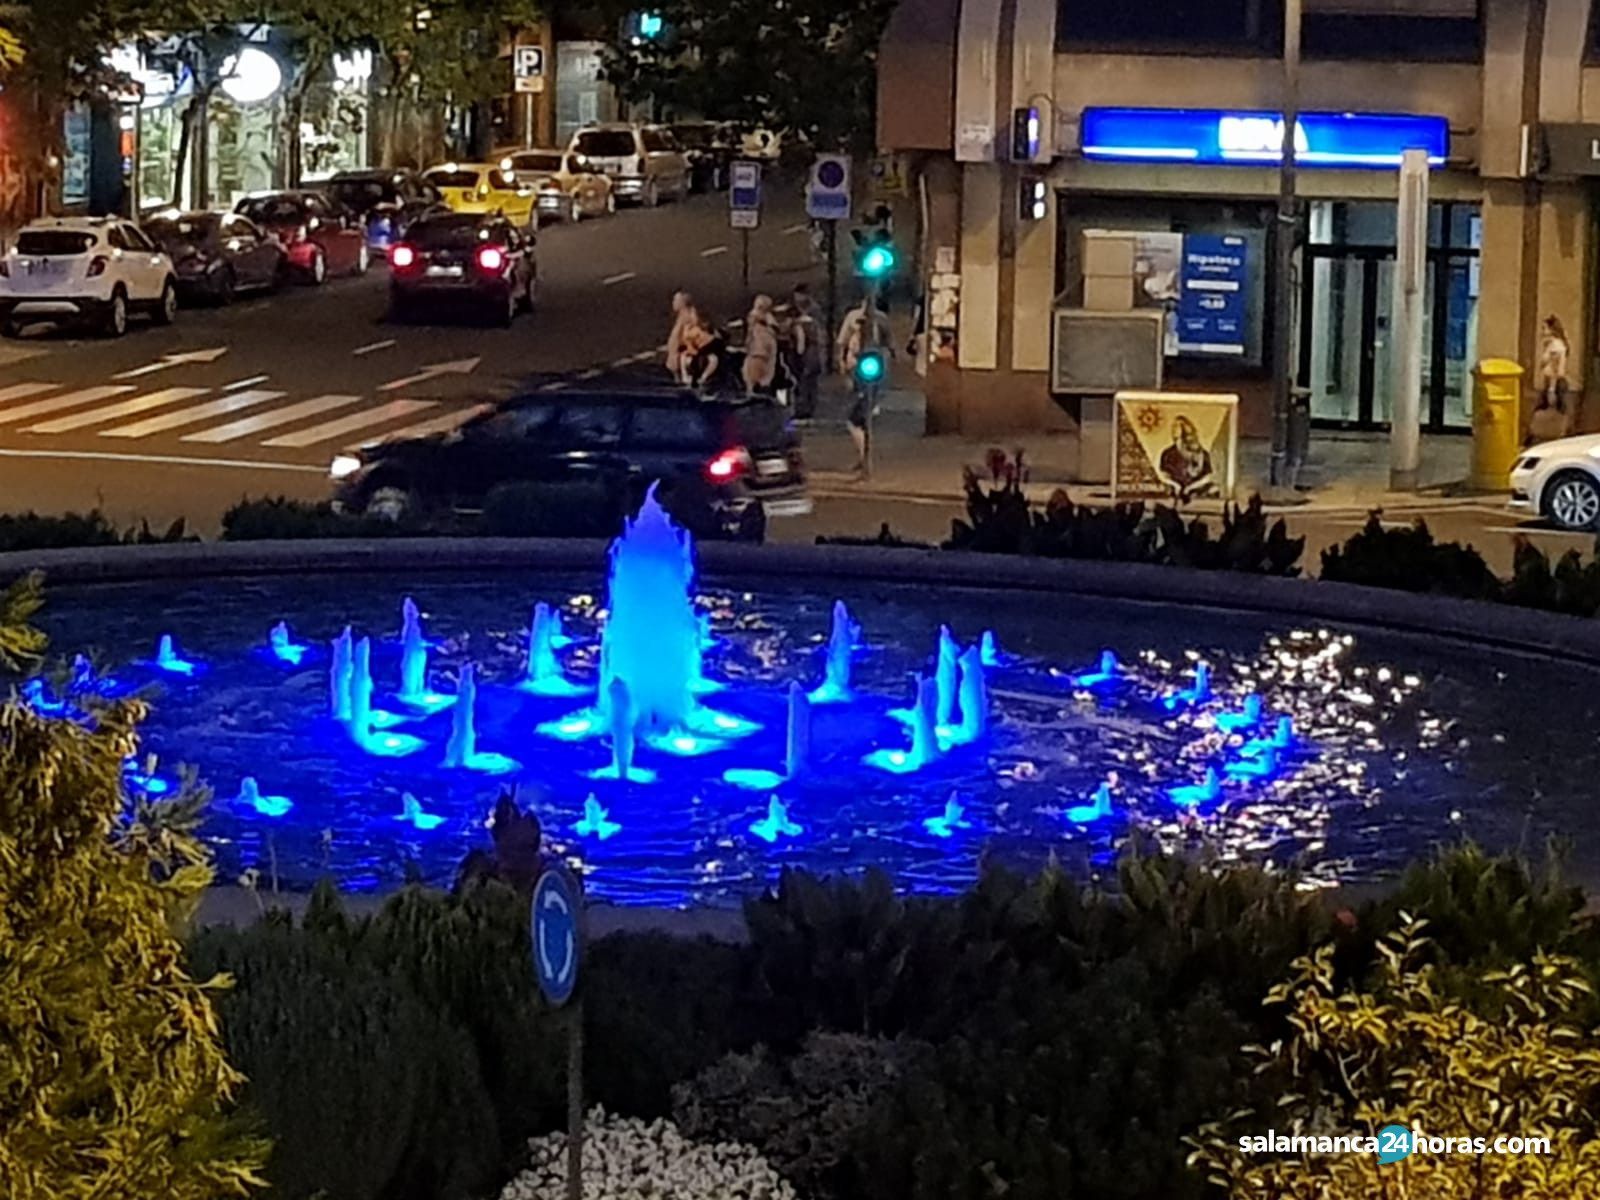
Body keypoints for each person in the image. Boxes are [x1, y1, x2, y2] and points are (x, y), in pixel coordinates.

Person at [836, 297, 891, 474]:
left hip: (867, 370)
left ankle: (864, 457)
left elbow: (888, 344)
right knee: (861, 416)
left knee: (856, 418)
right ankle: (864, 457)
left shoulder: (877, 319)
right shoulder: (860, 318)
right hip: (865, 368)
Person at [1530, 314, 1573, 444]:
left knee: (1553, 410)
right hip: (1551, 382)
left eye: (1544, 328)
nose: (1542, 331)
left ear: (1551, 329)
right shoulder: (1553, 345)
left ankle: (1555, 437)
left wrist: (1552, 388)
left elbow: (1557, 369)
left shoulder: (1556, 347)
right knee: (1556, 410)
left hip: (1554, 382)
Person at [1156, 415, 1216, 502]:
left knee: (1213, 489)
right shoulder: (1167, 454)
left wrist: (1191, 488)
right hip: (1174, 490)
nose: (1174, 429)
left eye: (1177, 426)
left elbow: (1208, 477)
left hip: (1196, 490)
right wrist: (1175, 485)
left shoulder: (1202, 454)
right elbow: (1163, 475)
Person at [788, 284, 824, 418]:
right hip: (801, 352)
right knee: (802, 380)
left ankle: (806, 407)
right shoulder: (795, 310)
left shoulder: (812, 312)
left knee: (807, 380)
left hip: (810, 351)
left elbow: (815, 332)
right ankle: (804, 406)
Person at [741, 294, 779, 396]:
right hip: (757, 351)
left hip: (761, 352)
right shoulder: (756, 320)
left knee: (756, 374)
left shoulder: (766, 319)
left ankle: (756, 391)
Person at [665, 290, 699, 383]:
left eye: (676, 300)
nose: (673, 303)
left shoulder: (688, 318)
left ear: (683, 302)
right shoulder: (682, 316)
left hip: (682, 358)